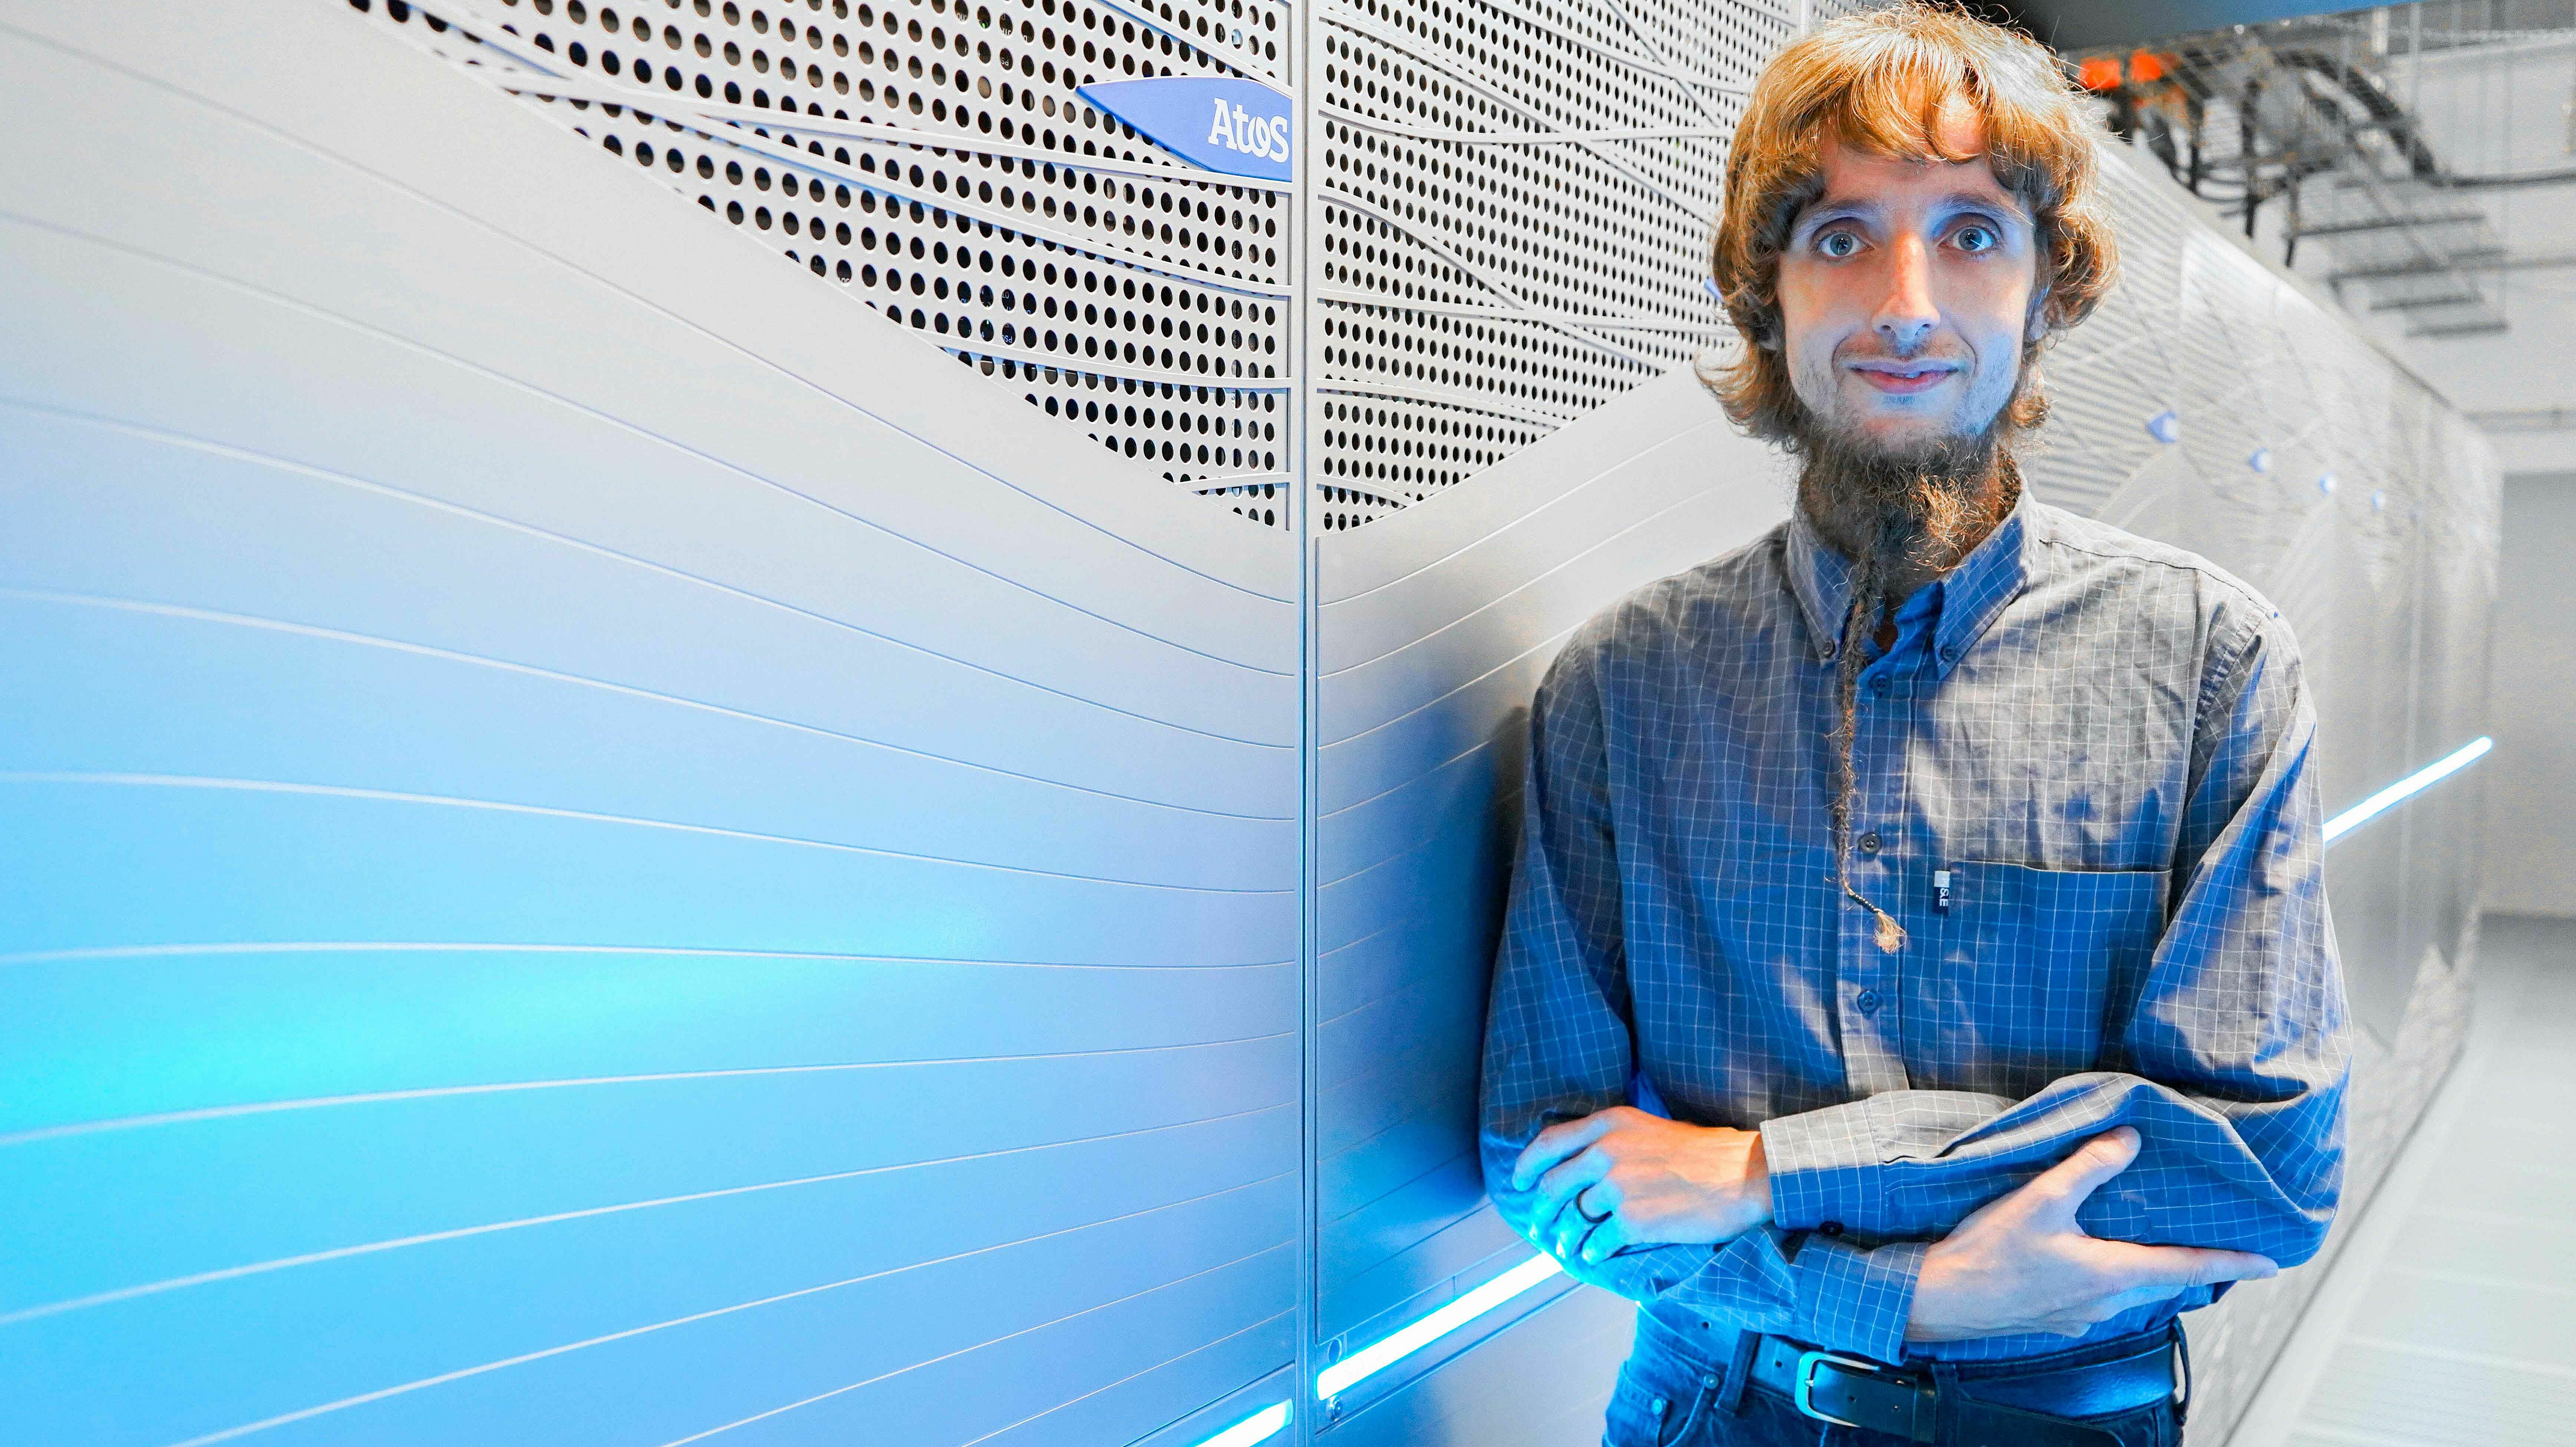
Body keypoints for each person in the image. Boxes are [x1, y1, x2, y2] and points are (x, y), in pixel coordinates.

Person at [1474, 7, 2349, 1446]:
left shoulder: (2209, 664)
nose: (1903, 302)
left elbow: (2261, 1165)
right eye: (1839, 237)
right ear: (1765, 293)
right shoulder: (1623, 688)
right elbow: (1552, 1161)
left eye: (1969, 234)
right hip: (1713, 1411)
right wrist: (1918, 1300)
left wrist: (1761, 1174)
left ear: (2045, 288)